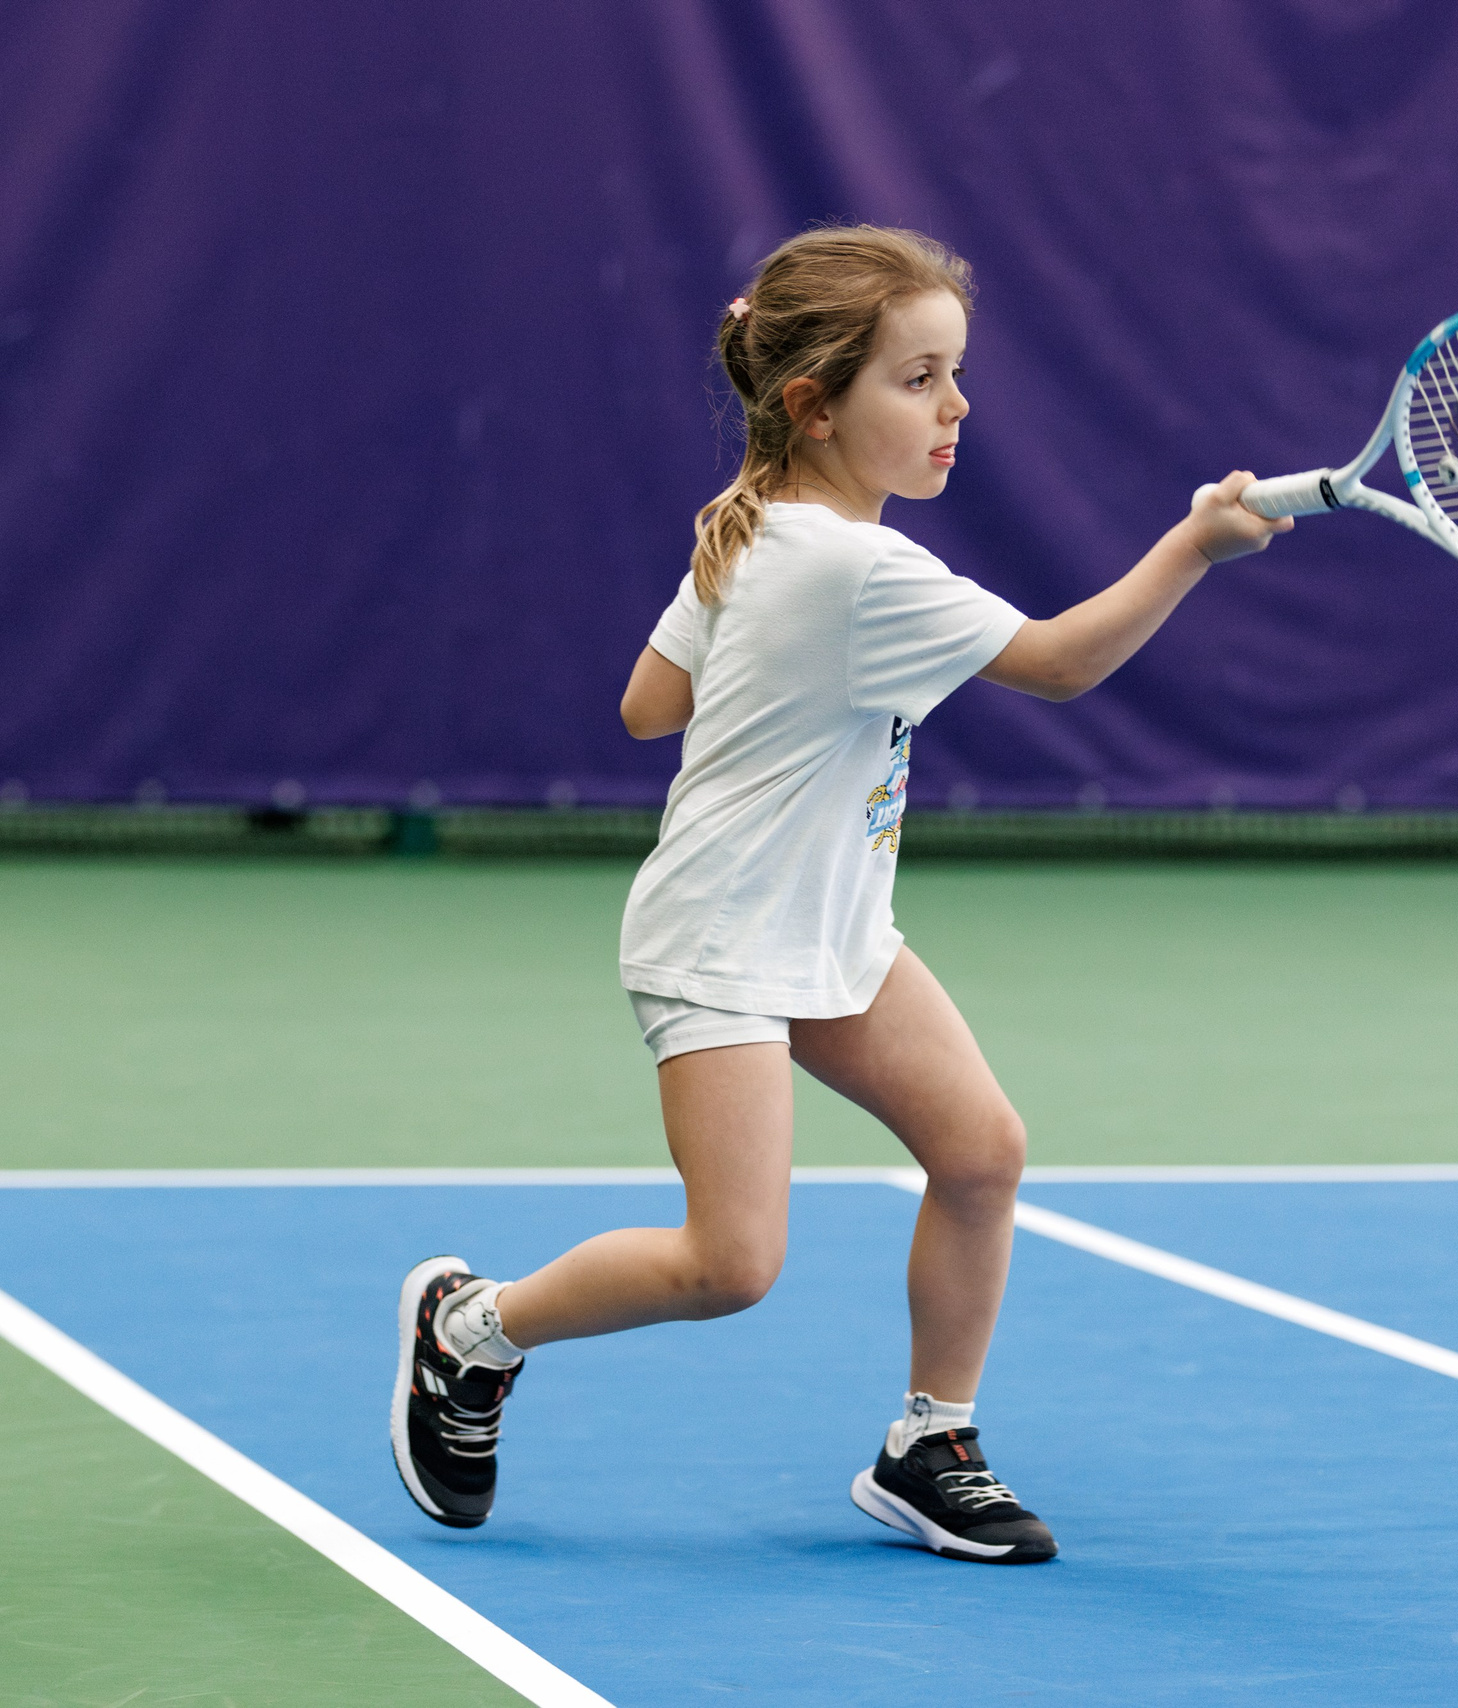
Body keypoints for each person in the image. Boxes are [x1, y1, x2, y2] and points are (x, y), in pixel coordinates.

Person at [391, 224, 1286, 1563]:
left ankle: (930, 1443)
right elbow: (1054, 664)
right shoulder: (854, 567)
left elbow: (648, 707)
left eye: (955, 374)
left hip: (837, 927)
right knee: (730, 1266)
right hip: (725, 944)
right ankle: (469, 1330)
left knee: (982, 1153)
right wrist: (1192, 548)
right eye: (918, 380)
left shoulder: (756, 536)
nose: (957, 408)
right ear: (815, 405)